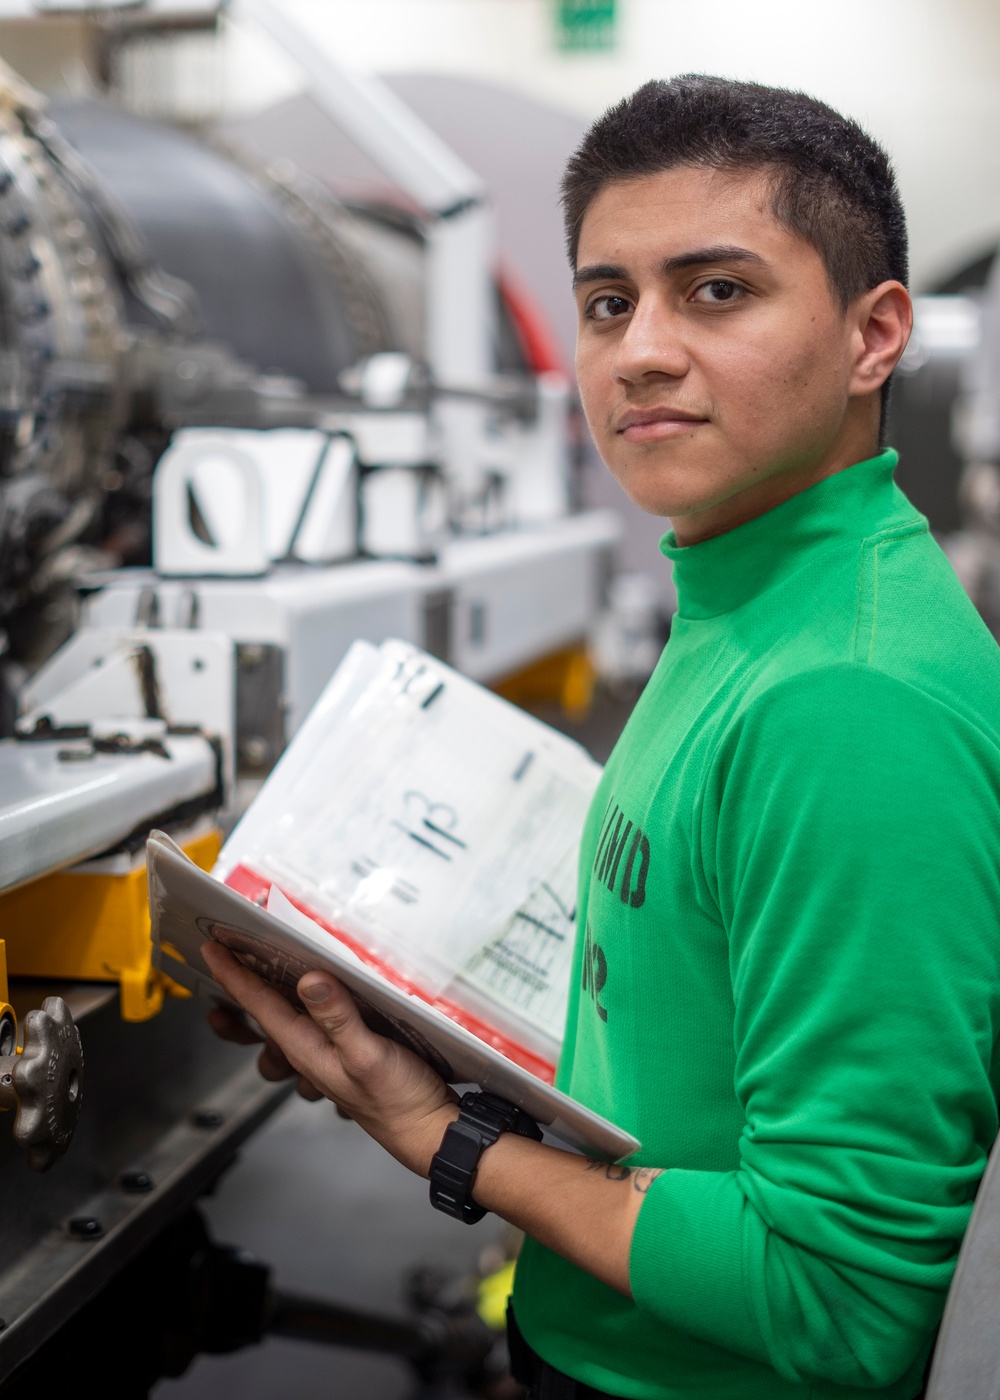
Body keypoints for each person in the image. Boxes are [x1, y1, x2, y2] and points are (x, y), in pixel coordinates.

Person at [204, 75, 1000, 1400]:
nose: (639, 351)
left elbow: (839, 1298)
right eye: (608, 301)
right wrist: (414, 1024)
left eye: (718, 291)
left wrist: (440, 1136)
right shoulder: (750, 594)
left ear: (876, 337)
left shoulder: (844, 698)